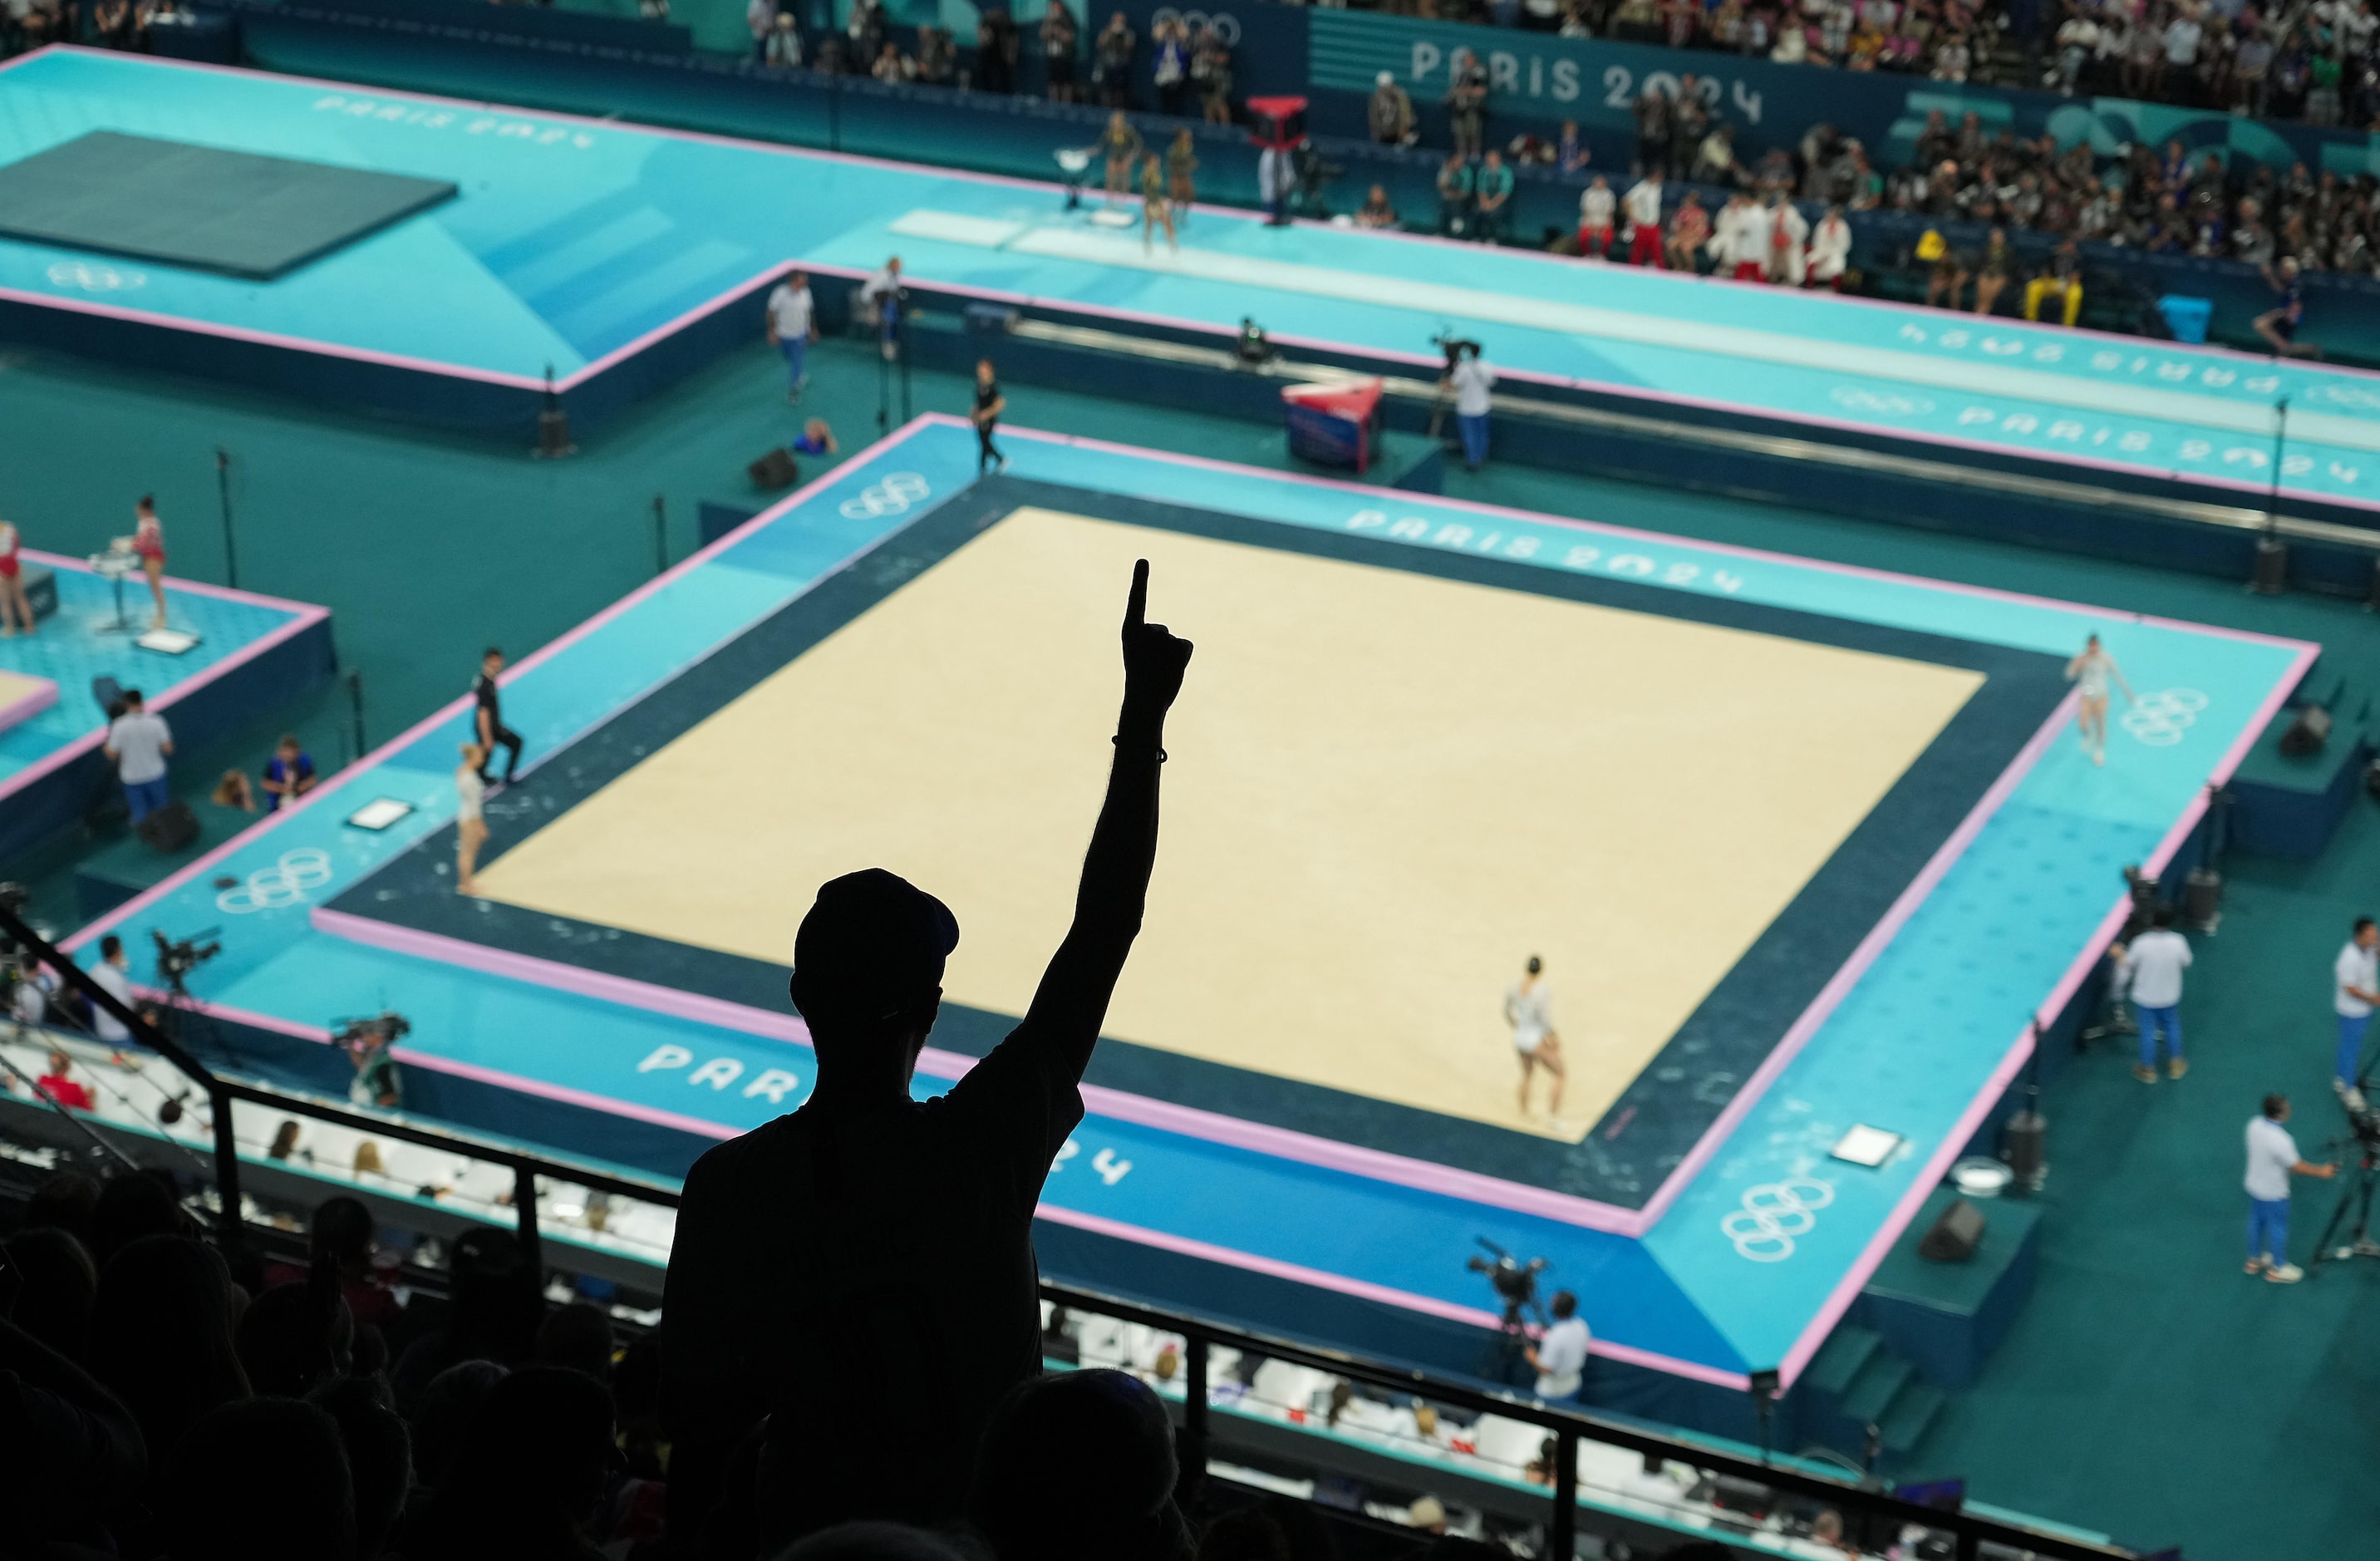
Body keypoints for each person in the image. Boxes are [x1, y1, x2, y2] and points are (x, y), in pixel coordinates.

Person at [661, 559, 1193, 1546]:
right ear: (930, 1011)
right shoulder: (978, 1148)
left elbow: (697, 1435)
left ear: (799, 999)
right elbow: (1102, 930)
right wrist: (1142, 718)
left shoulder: (730, 1190)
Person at [2246, 1094, 2334, 1283]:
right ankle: (2278, 1268)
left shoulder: (2254, 1125)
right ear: (2281, 1113)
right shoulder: (2281, 1140)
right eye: (2287, 1107)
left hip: (2255, 1186)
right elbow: (2296, 1166)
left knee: (2256, 1222)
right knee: (2278, 1228)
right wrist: (2321, 1171)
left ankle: (2254, 1260)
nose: (2290, 1109)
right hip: (2274, 1192)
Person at [2117, 907, 2191, 1082]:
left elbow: (2128, 965)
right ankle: (2176, 1064)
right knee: (2172, 1026)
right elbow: (2187, 962)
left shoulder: (2141, 943)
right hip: (2169, 995)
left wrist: (2119, 956)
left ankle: (2147, 1069)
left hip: (2146, 997)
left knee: (2147, 1031)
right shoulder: (2178, 941)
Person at [1505, 954, 1566, 1121]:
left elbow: (1507, 1011)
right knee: (1560, 1073)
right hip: (1535, 1039)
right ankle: (1553, 1115)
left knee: (1527, 1075)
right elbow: (1545, 1019)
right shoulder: (1541, 991)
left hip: (1520, 1038)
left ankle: (1523, 1112)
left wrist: (1515, 1024)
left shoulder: (1515, 988)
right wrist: (1553, 1038)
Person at [104, 687, 173, 824]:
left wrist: (105, 746)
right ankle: (168, 836)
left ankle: (147, 836)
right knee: (163, 810)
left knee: (140, 816)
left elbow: (112, 754)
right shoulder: (156, 721)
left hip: (133, 778)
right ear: (142, 702)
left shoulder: (119, 727)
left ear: (126, 704)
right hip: (156, 773)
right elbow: (168, 749)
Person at [2063, 633, 2133, 766]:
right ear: (2088, 646)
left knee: (2100, 724)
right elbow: (2068, 676)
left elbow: (2118, 676)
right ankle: (2090, 735)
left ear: (2099, 646)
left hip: (2101, 696)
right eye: (2091, 646)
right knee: (2083, 724)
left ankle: (2099, 750)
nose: (2093, 649)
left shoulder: (2106, 659)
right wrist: (2076, 667)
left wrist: (2127, 692)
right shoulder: (2081, 658)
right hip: (2087, 695)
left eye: (2095, 646)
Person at [2333, 917, 2380, 1093]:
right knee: (2350, 1049)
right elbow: (2350, 989)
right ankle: (2348, 1088)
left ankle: (2341, 1078)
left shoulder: (2370, 948)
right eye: (2372, 934)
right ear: (2361, 935)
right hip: (2352, 1012)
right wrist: (2374, 999)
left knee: (2353, 1045)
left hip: (2365, 1009)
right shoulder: (2349, 957)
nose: (2375, 936)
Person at [1524, 1289, 1591, 1400]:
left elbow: (1546, 1368)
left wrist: (1532, 1358)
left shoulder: (1555, 1336)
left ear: (1555, 1308)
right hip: (1574, 1383)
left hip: (1553, 1392)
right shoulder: (1581, 1325)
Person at [472, 647, 522, 788]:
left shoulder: (488, 681)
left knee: (486, 753)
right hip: (489, 727)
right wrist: (487, 735)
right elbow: (483, 712)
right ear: (489, 661)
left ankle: (483, 776)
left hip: (492, 726)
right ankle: (495, 777)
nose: (500, 664)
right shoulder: (485, 684)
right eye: (497, 661)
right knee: (515, 743)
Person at [765, 269, 817, 403]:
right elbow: (770, 312)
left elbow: (809, 311)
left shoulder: (806, 292)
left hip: (800, 334)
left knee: (796, 361)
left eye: (805, 280)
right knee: (788, 356)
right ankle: (798, 375)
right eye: (802, 280)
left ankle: (794, 390)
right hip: (784, 334)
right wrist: (771, 331)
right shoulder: (779, 293)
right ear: (793, 280)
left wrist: (812, 328)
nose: (805, 283)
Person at [2255, 257, 2322, 359]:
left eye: (2283, 269)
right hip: (2284, 314)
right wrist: (2269, 276)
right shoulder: (2290, 283)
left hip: (2289, 317)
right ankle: (2310, 348)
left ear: (2289, 270)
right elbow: (2281, 291)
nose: (2281, 271)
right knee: (2283, 346)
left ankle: (2308, 348)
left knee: (2260, 324)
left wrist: (2283, 314)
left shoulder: (2296, 284)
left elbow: (2296, 305)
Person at [1444, 343, 1495, 473]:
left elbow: (1454, 385)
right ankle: (1481, 456)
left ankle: (1473, 461)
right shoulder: (1487, 366)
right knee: (1481, 434)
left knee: (1470, 436)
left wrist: (1444, 381)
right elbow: (1492, 382)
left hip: (1467, 409)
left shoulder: (1464, 369)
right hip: (1483, 407)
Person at [125, 495, 166, 630]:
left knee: (155, 587)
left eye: (139, 510)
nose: (137, 513)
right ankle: (159, 614)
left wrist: (125, 545)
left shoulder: (150, 525)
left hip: (154, 558)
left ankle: (161, 617)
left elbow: (141, 544)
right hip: (149, 556)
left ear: (145, 510)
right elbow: (139, 540)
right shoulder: (146, 523)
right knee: (153, 586)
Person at [2024, 238, 2086, 327]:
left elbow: (2076, 277)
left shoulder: (2077, 258)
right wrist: (2047, 284)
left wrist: (2065, 289)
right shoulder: (2053, 255)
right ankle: (2030, 320)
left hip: (2069, 285)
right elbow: (2045, 272)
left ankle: (2068, 325)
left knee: (2076, 294)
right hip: (2052, 282)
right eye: (2066, 245)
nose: (2068, 247)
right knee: (2033, 287)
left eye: (2070, 245)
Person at [87, 934, 135, 1045]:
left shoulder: (95, 970)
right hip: (119, 1035)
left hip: (101, 1029)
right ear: (119, 950)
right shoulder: (117, 980)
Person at [455, 740, 488, 896]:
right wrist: (480, 825)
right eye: (480, 755)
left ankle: (466, 882)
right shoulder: (468, 778)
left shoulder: (463, 771)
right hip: (470, 819)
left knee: (466, 852)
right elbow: (474, 804)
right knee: (467, 852)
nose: (482, 758)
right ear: (472, 757)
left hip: (467, 816)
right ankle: (465, 884)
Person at [860, 255, 905, 362]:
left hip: (884, 302)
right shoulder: (882, 276)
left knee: (893, 308)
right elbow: (873, 293)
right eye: (897, 266)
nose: (899, 268)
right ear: (891, 265)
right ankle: (887, 344)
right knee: (889, 313)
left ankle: (893, 340)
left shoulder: (894, 275)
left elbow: (893, 290)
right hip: (872, 303)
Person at [261, 734, 317, 812]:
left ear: (297, 752)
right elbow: (265, 783)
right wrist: (282, 789)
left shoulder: (305, 760)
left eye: (291, 753)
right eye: (285, 754)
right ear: (280, 752)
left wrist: (302, 787)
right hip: (279, 804)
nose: (288, 757)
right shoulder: (273, 764)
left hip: (303, 798)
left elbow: (313, 779)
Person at [971, 357, 1007, 475]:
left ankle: (995, 461)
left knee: (985, 442)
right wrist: (973, 413)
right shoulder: (980, 384)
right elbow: (978, 402)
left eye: (983, 368)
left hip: (989, 420)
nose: (980, 370)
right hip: (980, 419)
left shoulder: (993, 386)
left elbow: (1000, 403)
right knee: (983, 442)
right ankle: (987, 466)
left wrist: (986, 414)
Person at [1623, 168, 1666, 266]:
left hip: (1653, 225)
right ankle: (1633, 271)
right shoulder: (1642, 188)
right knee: (1638, 251)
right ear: (1653, 177)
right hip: (1642, 224)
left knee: (1657, 251)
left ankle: (1660, 272)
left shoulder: (1658, 188)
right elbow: (1626, 200)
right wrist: (1632, 217)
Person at [1100, 110, 1143, 205]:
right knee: (1110, 180)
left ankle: (1122, 202)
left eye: (1115, 121)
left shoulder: (1128, 131)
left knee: (1124, 180)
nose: (1113, 123)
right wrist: (1091, 151)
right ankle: (1109, 202)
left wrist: (1131, 157)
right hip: (1113, 157)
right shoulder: (1110, 132)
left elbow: (1138, 144)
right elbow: (1102, 145)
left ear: (1121, 121)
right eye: (1112, 121)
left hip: (1125, 158)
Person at [0, 514, 32, 637]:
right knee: (20, 598)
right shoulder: (10, 527)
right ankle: (30, 627)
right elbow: (17, 544)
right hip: (14, 565)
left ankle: (10, 629)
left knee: (5, 602)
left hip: (1, 569)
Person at [1039, 0, 1078, 102]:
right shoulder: (1048, 21)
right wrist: (1049, 28)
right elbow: (1042, 34)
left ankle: (1066, 104)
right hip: (1052, 55)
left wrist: (1059, 32)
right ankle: (1054, 103)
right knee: (1053, 82)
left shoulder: (1068, 21)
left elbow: (1071, 37)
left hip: (1064, 55)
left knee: (1066, 82)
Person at [1473, 150, 1514, 245]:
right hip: (1485, 200)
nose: (1489, 160)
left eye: (1492, 158)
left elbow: (1504, 192)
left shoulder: (1506, 172)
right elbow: (1481, 189)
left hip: (1501, 202)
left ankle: (1493, 238)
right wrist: (1484, 202)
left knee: (1494, 214)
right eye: (1488, 158)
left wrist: (1492, 204)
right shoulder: (1483, 171)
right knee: (1477, 211)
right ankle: (1477, 237)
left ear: (1498, 159)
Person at [1973, 226, 2016, 316]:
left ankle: (1982, 315)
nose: (1996, 239)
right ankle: (1977, 315)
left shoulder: (2008, 251)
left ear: (2003, 238)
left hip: (2000, 275)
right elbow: (1980, 263)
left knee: (1989, 298)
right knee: (1981, 297)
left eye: (1999, 237)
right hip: (1986, 273)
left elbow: (2010, 267)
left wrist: (2006, 277)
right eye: (1994, 237)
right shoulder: (1986, 249)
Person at [1806, 204, 1851, 288]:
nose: (1830, 216)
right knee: (1810, 260)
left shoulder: (1843, 227)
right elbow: (1816, 241)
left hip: (1836, 253)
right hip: (1822, 251)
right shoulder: (1822, 225)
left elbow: (1845, 244)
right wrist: (1822, 254)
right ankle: (1810, 286)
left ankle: (1834, 288)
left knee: (1837, 267)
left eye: (1832, 215)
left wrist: (1831, 254)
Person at [1367, 70, 1415, 146]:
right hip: (1384, 134)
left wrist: (1404, 129)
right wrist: (1376, 132)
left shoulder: (1400, 96)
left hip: (1398, 134)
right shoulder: (1376, 98)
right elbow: (1374, 116)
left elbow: (1407, 113)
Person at [1140, 153, 1175, 254]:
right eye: (1155, 160)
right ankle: (1172, 247)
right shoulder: (1147, 174)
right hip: (1153, 202)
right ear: (1150, 162)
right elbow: (1148, 190)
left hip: (1156, 201)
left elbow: (1158, 188)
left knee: (1151, 224)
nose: (1158, 162)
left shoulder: (1156, 173)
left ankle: (1148, 245)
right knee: (1165, 222)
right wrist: (1155, 202)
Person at [1434, 153, 1474, 238]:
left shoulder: (1467, 172)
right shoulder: (1447, 169)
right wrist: (1447, 172)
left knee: (1455, 206)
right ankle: (1442, 232)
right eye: (1455, 161)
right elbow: (1440, 185)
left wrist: (1452, 195)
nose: (1457, 164)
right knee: (1445, 203)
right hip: (1449, 197)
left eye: (1459, 162)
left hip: (1465, 199)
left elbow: (1465, 192)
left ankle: (1456, 234)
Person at [1576, 175, 1615, 258]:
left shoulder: (1609, 194)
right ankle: (1586, 254)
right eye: (1597, 182)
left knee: (1608, 237)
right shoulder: (1587, 193)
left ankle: (1602, 255)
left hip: (1603, 220)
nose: (1599, 184)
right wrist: (1592, 227)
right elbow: (1585, 210)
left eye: (1601, 183)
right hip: (1589, 220)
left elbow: (1610, 212)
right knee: (1584, 236)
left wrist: (1603, 227)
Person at [1165, 127, 1197, 225]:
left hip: (1185, 175)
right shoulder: (1173, 150)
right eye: (1186, 137)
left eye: (1189, 138)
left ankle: (1182, 216)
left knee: (1189, 197)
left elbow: (1189, 159)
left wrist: (1192, 163)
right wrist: (1185, 168)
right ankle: (1169, 216)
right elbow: (1170, 165)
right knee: (1175, 197)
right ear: (1180, 138)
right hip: (1176, 175)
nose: (1188, 139)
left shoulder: (1189, 147)